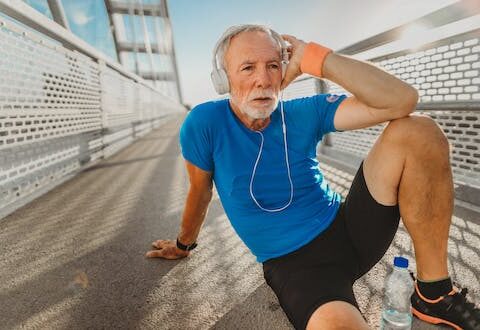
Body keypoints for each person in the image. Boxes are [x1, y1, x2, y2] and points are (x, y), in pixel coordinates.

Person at [145, 24, 480, 330]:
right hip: (297, 265)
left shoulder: (301, 112)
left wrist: (314, 57)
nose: (263, 79)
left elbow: (402, 100)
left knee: (418, 130)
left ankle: (434, 294)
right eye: (248, 68)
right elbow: (200, 192)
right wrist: (183, 244)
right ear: (224, 79)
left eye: (273, 66)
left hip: (350, 228)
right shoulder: (204, 123)